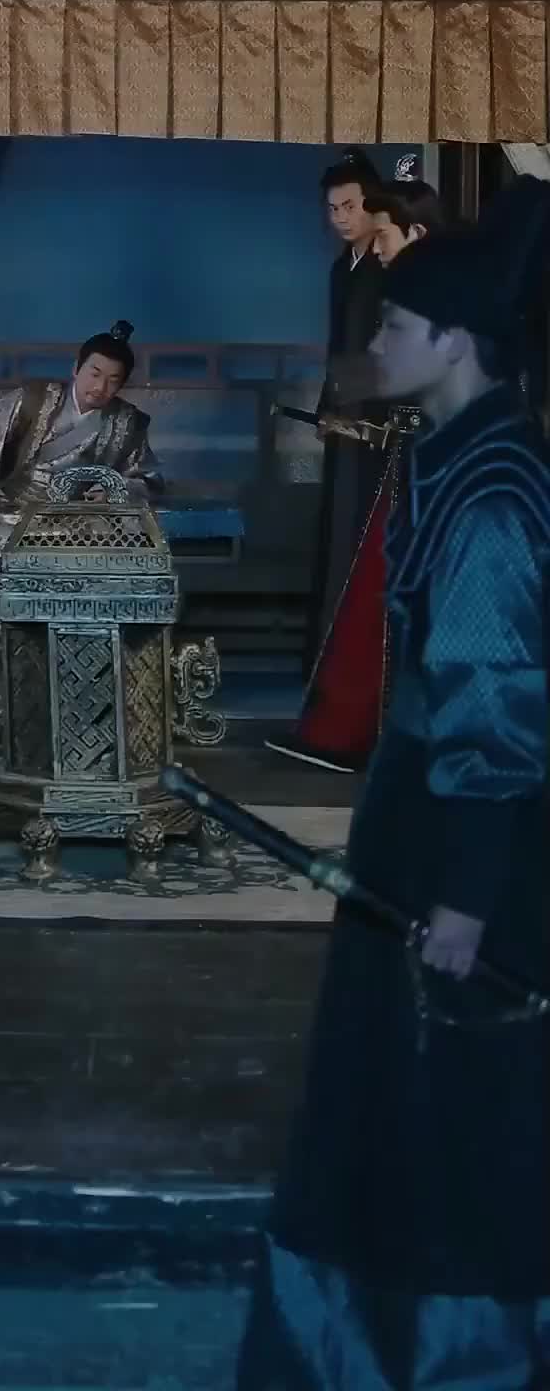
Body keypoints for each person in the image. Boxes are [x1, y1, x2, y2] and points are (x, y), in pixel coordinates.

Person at [238, 175, 550, 1391]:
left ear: (458, 343)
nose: (380, 346)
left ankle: (451, 1349)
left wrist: (466, 894)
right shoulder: (456, 455)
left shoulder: (496, 491)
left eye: (400, 328)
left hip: (467, 826)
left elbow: (495, 701)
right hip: (427, 804)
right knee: (395, 1090)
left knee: (451, 1094)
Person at [267, 176, 446, 772]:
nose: (378, 245)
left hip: (439, 466)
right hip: (410, 458)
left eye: (385, 234)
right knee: (378, 591)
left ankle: (388, 738)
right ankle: (354, 731)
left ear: (415, 232)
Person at [0, 321, 161, 680]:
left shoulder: (127, 423)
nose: (100, 387)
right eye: (94, 374)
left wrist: (117, 488)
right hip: (6, 510)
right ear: (76, 369)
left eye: (113, 380)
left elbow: (147, 478)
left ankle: (67, 665)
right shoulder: (33, 400)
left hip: (72, 520)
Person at [303, 147, 387, 678]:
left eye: (349, 206)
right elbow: (339, 348)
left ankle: (366, 668)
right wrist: (327, 407)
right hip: (345, 415)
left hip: (380, 419)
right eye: (333, 209)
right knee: (339, 531)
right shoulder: (343, 268)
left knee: (368, 533)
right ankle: (328, 661)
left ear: (373, 204)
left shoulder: (390, 266)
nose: (340, 218)